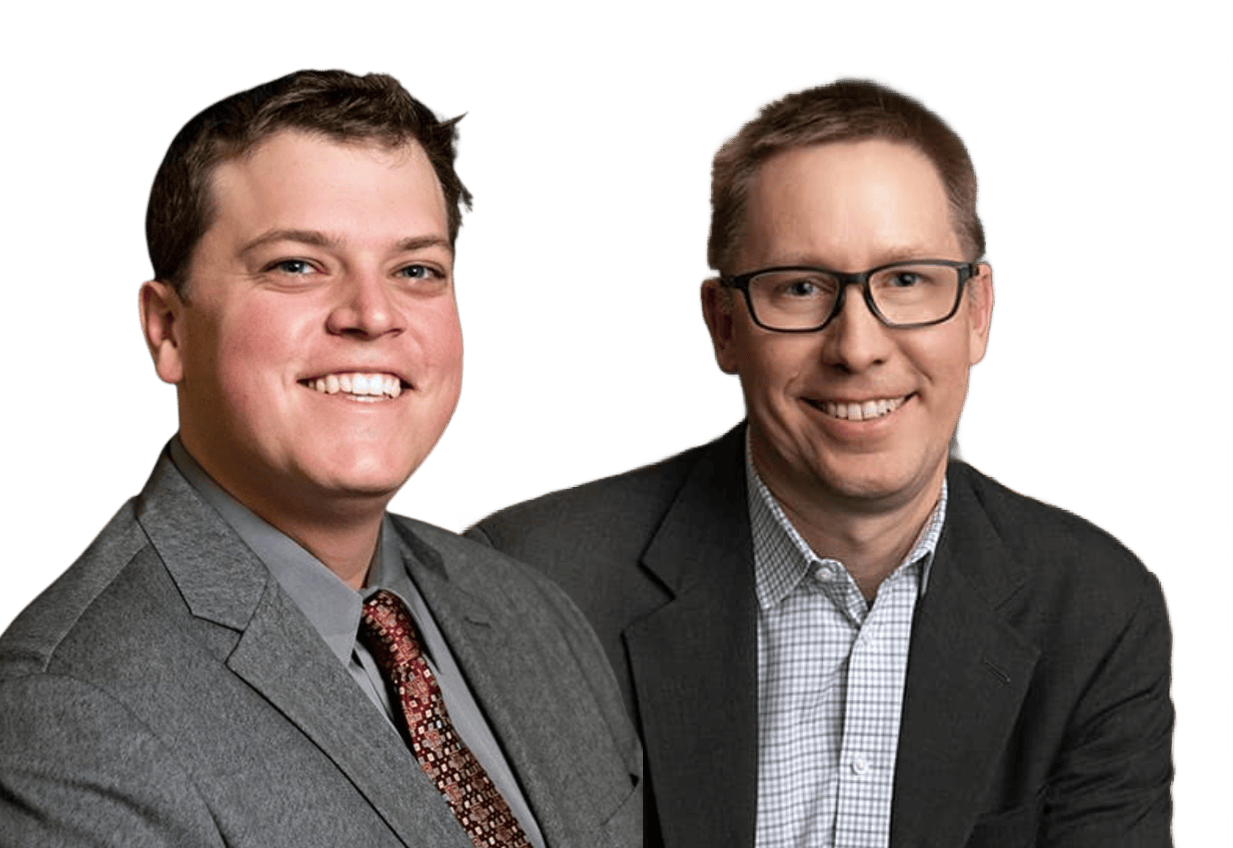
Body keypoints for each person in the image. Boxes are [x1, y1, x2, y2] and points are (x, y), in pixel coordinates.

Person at [464, 71, 1176, 848]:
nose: (858, 347)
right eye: (800, 288)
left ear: (977, 314)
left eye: (906, 280)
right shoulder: (534, 587)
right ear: (721, 326)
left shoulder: (1098, 612)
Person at [0, 68, 640, 848]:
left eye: (416, 271)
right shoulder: (67, 711)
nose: (373, 315)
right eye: (296, 265)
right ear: (168, 330)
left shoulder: (532, 612)